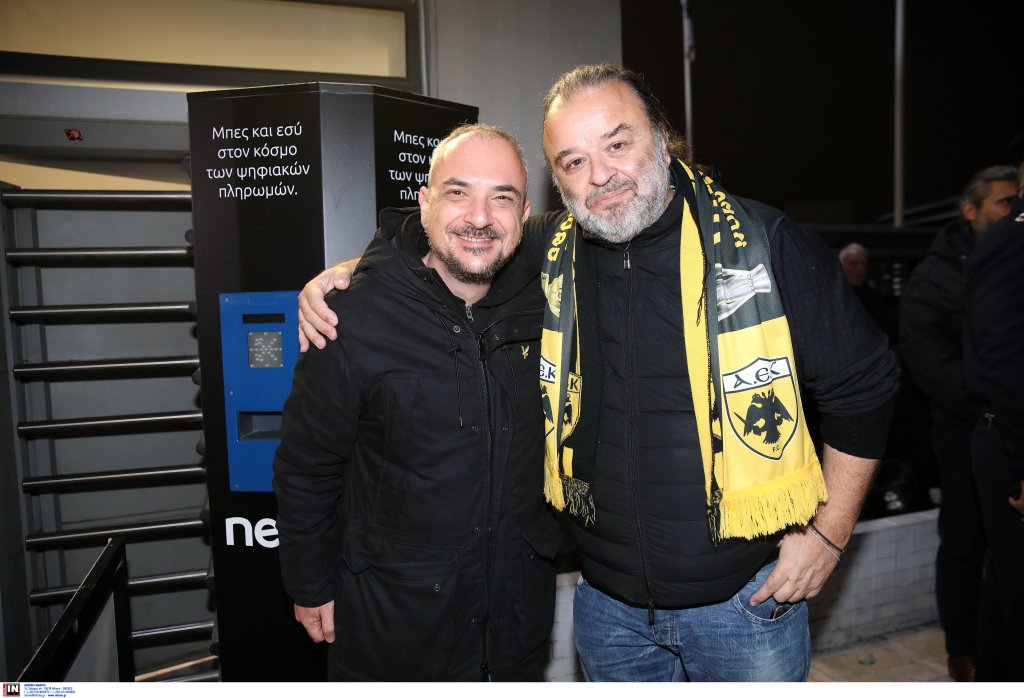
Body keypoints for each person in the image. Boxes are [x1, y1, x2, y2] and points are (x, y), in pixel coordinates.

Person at [299, 65, 898, 682]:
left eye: (617, 144)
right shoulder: (549, 247)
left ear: (661, 139)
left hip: (744, 607)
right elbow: (453, 243)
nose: (601, 175)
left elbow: (866, 387)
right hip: (608, 615)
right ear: (556, 181)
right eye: (573, 161)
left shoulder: (765, 243)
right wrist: (353, 275)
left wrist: (828, 535)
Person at [272, 124, 560, 681]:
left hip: (514, 625)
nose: (480, 217)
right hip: (393, 630)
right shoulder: (353, 315)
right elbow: (308, 464)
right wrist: (309, 584)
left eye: (502, 197)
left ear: (524, 215)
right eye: (458, 192)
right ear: (425, 204)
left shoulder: (548, 304)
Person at [898, 165, 1019, 681]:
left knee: (1003, 556)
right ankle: (962, 650)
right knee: (965, 542)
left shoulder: (1005, 254)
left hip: (1000, 424)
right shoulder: (936, 274)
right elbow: (928, 361)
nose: (1013, 209)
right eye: (1003, 202)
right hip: (963, 427)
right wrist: (988, 409)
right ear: (971, 211)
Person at [963, 192, 1024, 682]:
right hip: (1009, 440)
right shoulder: (1014, 239)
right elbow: (1005, 359)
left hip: (1008, 437)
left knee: (1007, 590)